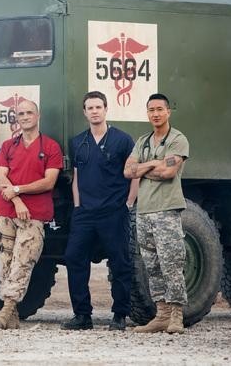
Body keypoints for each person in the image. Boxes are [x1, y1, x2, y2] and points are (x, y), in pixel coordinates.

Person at [60, 91, 138, 331]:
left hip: (114, 211)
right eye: (89, 108)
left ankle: (119, 315)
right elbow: (77, 176)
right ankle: (82, 316)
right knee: (74, 258)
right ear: (84, 112)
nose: (94, 111)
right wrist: (76, 205)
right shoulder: (78, 142)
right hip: (84, 212)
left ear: (105, 109)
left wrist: (128, 203)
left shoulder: (123, 140)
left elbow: (134, 175)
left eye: (98, 107)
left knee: (120, 262)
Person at [0, 100, 63, 329]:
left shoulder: (51, 146)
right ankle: (10, 315)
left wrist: (19, 189)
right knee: (5, 261)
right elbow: (0, 177)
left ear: (38, 115)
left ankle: (7, 308)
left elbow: (49, 182)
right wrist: (16, 199)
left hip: (34, 215)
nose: (24, 116)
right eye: (20, 113)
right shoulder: (8, 146)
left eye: (29, 112)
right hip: (6, 211)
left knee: (23, 260)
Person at [124, 93, 189, 334]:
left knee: (171, 264)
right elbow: (128, 171)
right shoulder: (143, 141)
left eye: (160, 109)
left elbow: (168, 173)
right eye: (151, 110)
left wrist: (145, 167)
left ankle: (176, 316)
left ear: (168, 112)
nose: (156, 114)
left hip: (166, 210)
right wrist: (154, 163)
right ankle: (161, 315)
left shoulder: (177, 139)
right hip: (145, 211)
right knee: (152, 265)